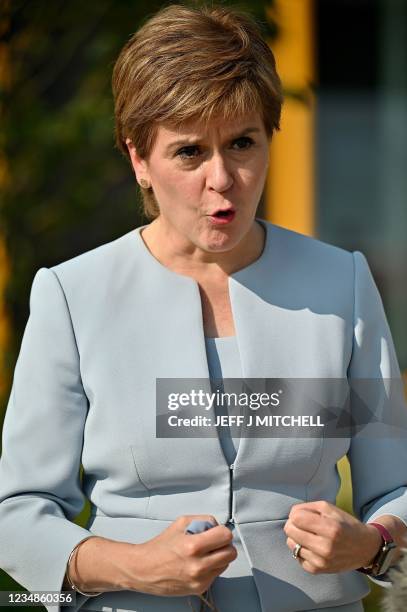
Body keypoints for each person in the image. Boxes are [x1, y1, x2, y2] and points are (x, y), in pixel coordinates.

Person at [0, 4, 407, 612]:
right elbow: (17, 514)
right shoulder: (72, 295)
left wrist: (373, 546)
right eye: (189, 152)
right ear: (139, 159)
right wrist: (133, 566)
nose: (222, 178)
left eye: (242, 143)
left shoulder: (340, 283)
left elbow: (397, 486)